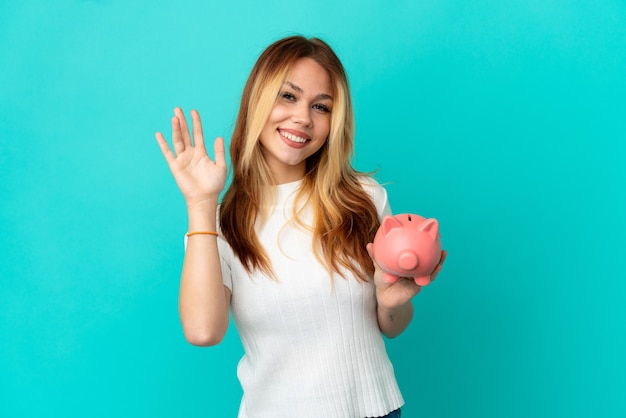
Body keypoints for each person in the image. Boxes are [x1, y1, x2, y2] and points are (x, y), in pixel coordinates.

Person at [155, 36, 446, 418]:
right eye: (287, 96)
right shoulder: (222, 223)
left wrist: (391, 303)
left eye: (320, 106)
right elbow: (203, 331)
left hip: (378, 410)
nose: (303, 118)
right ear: (256, 101)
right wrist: (201, 204)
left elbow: (392, 326)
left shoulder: (363, 199)